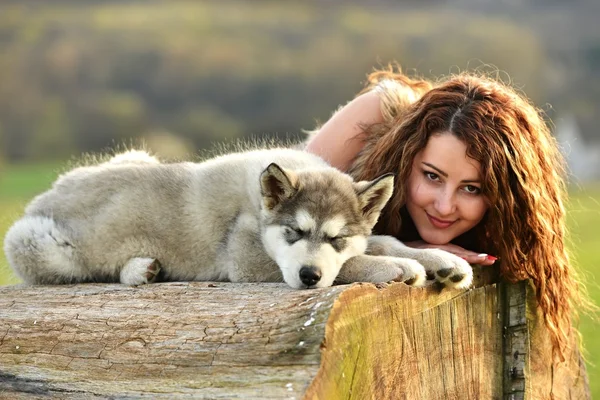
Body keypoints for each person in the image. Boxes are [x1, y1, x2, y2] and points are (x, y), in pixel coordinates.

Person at [304, 64, 589, 361]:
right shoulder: (378, 111)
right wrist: (404, 251)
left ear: (503, 197)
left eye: (472, 189)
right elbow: (275, 211)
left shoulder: (505, 233)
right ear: (405, 158)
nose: (443, 206)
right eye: (432, 176)